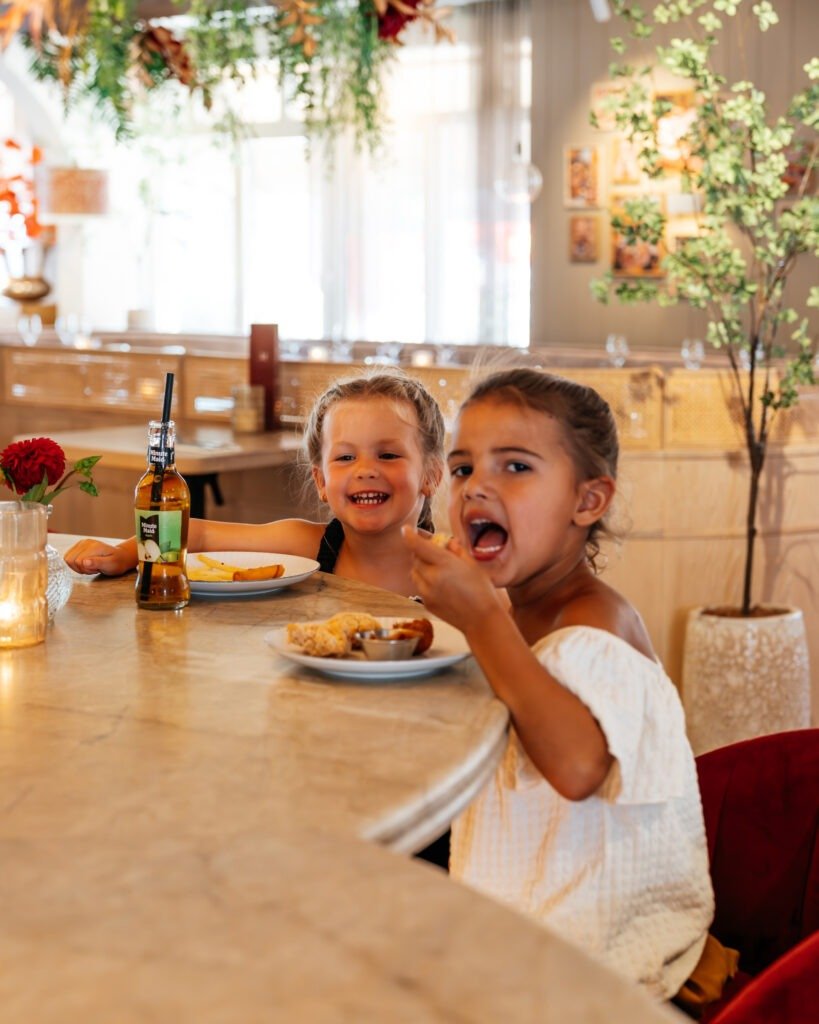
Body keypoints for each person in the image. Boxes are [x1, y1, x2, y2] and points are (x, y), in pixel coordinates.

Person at [402, 367, 714, 1000]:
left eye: (515, 467)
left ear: (588, 501)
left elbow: (576, 766)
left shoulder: (593, 623)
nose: (476, 489)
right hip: (530, 915)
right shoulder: (520, 610)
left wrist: (483, 619)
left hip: (604, 962)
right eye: (462, 469)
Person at [64, 369, 445, 599]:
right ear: (321, 481)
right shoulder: (310, 546)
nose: (365, 470)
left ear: (431, 473)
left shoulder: (454, 567)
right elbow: (197, 534)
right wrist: (123, 554)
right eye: (345, 458)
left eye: (388, 455)